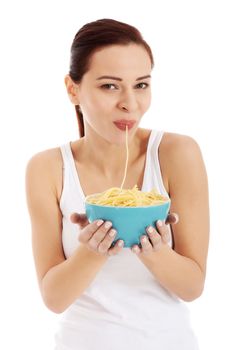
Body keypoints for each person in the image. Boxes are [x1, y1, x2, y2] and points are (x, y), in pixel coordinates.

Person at [25, 18, 209, 350]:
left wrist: (152, 249)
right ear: (73, 89)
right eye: (110, 86)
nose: (130, 103)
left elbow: (193, 286)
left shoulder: (178, 153)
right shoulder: (47, 168)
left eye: (141, 85)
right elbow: (53, 297)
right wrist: (92, 251)